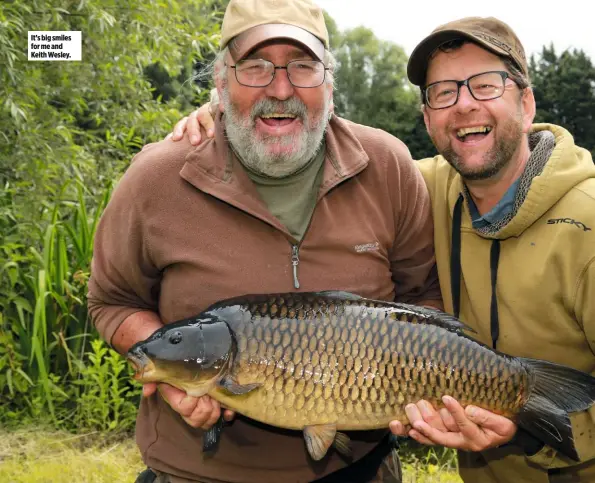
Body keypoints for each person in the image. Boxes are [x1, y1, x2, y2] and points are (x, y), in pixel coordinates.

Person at [178, 16, 595, 483]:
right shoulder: (420, 188)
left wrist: (530, 424)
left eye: (485, 85)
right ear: (427, 117)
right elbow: (317, 159)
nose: (464, 105)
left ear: (526, 102)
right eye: (443, 92)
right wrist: (225, 120)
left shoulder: (589, 221)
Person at [87, 0, 442, 482]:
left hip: (362, 467)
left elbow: (425, 296)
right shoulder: (156, 178)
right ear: (220, 82)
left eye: (303, 67)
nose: (280, 89)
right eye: (255, 68)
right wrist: (172, 375)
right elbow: (111, 301)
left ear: (329, 83)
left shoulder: (387, 164)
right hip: (198, 472)